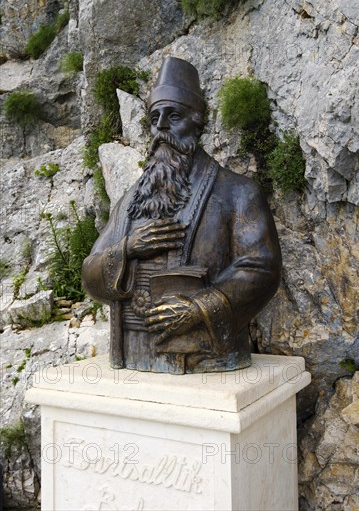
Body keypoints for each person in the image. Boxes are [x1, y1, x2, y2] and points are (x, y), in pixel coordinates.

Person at [82, 57, 282, 374]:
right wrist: (127, 249)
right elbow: (89, 273)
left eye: (173, 116)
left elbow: (262, 269)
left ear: (198, 122)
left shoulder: (238, 193)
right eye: (154, 118)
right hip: (133, 357)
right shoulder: (128, 202)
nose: (161, 127)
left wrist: (198, 309)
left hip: (204, 359)